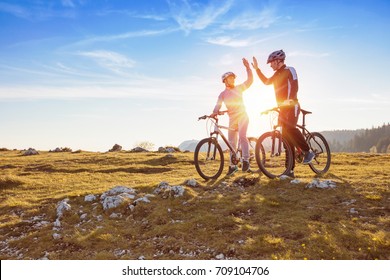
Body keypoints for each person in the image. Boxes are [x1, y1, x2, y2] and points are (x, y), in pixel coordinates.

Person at [252, 50, 315, 178]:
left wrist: (290, 98)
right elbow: (266, 82)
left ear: (278, 61)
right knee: (286, 139)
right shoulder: (276, 75)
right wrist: (257, 69)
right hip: (283, 108)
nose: (270, 65)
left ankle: (308, 152)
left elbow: (294, 85)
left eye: (271, 63)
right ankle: (289, 170)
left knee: (291, 128)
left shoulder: (289, 70)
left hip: (293, 105)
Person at [211, 58, 253, 175]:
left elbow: (250, 81)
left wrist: (248, 68)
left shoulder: (239, 88)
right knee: (231, 142)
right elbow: (217, 105)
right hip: (232, 119)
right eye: (230, 78)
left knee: (242, 136)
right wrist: (214, 112)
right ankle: (233, 166)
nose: (233, 80)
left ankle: (246, 161)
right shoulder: (222, 94)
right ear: (225, 81)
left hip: (242, 115)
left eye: (234, 78)